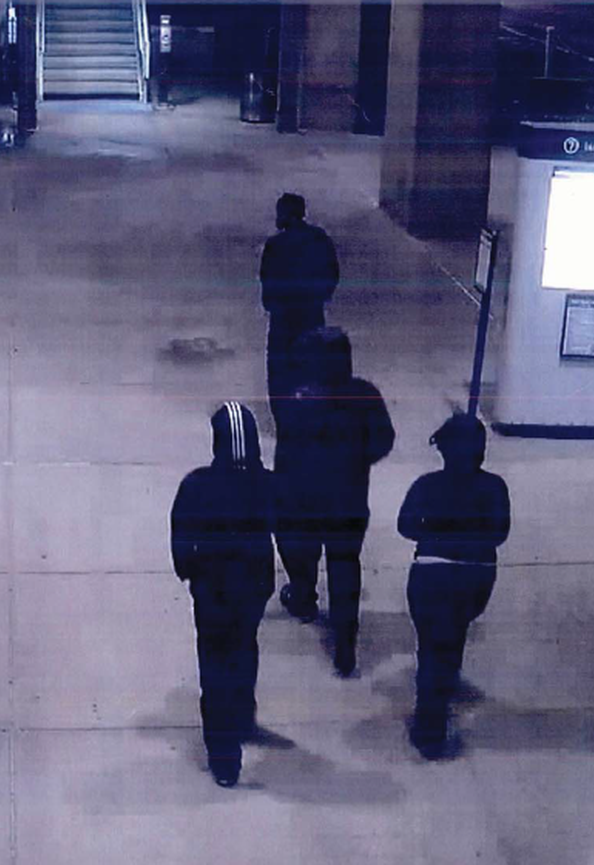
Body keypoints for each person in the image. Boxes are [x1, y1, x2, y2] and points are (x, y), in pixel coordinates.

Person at [274, 327, 394, 676]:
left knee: (302, 553)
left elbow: (287, 450)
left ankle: (304, 597)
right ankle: (345, 643)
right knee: (345, 565)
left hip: (305, 499)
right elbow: (383, 439)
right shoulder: (365, 395)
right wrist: (358, 460)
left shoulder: (299, 400)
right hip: (349, 499)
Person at [171, 402, 276, 788]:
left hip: (212, 592)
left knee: (214, 665)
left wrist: (191, 573)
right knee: (245, 647)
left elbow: (180, 539)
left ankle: (224, 756)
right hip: (252, 588)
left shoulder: (196, 485)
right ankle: (244, 714)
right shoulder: (265, 484)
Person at [397, 414, 511, 760]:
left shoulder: (426, 485)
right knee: (455, 631)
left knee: (430, 644)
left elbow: (405, 526)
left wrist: (435, 533)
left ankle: (428, 723)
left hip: (431, 571)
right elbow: (500, 533)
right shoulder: (494, 487)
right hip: (475, 576)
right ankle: (447, 680)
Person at [260, 193, 340, 428]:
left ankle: (284, 419)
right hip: (311, 313)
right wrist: (321, 297)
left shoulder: (275, 245)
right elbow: (332, 273)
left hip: (283, 317)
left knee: (279, 370)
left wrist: (272, 304)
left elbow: (267, 279)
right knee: (311, 365)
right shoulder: (320, 239)